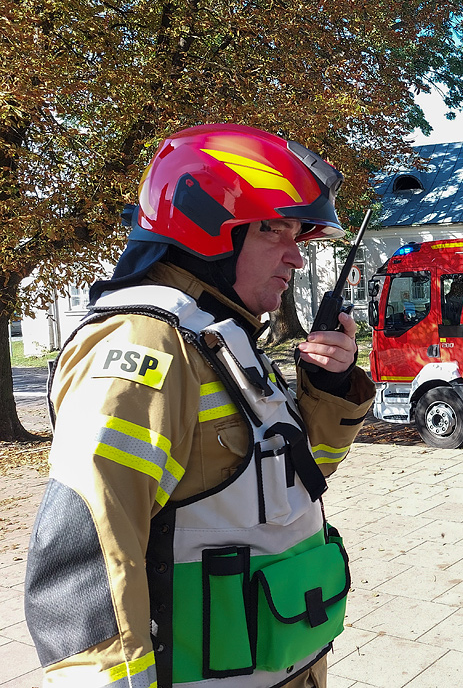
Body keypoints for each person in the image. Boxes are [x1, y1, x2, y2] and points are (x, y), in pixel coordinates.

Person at [24, 124, 375, 688]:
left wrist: (327, 389)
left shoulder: (219, 339)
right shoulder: (142, 345)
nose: (296, 258)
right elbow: (84, 567)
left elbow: (290, 483)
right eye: (274, 230)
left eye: (298, 237)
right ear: (206, 227)